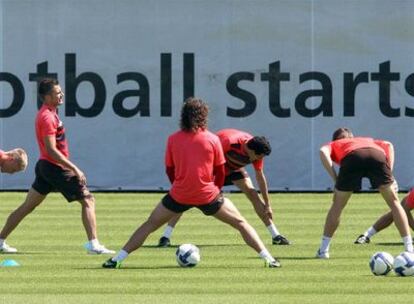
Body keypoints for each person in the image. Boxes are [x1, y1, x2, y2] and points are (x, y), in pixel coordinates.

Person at [102, 97, 281, 268]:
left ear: (183, 116)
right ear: (204, 117)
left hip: (179, 194)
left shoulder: (173, 139)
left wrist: (179, 186)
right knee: (241, 223)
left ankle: (117, 259)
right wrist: (216, 190)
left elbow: (169, 170)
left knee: (149, 225)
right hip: (208, 195)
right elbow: (219, 171)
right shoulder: (213, 139)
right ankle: (269, 259)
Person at [0, 78, 114, 254]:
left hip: (46, 166)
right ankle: (94, 244)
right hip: (54, 167)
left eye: (61, 91)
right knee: (88, 200)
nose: (61, 95)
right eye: (57, 92)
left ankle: (0, 240)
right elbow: (51, 150)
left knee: (27, 206)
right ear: (46, 96)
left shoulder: (51, 112)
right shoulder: (46, 117)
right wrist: (74, 168)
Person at [157, 129, 290, 247]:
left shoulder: (256, 150)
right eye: (259, 156)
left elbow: (260, 177)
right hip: (213, 170)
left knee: (252, 193)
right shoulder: (227, 142)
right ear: (251, 150)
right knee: (186, 197)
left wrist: (268, 204)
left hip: (233, 168)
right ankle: (166, 236)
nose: (259, 159)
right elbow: (207, 158)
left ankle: (276, 235)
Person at [316, 127, 413, 259]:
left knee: (337, 205)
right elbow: (388, 145)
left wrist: (335, 178)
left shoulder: (334, 144)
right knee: (395, 203)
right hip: (377, 155)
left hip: (352, 158)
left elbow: (322, 151)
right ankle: (409, 248)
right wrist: (389, 173)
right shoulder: (367, 140)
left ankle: (323, 251)